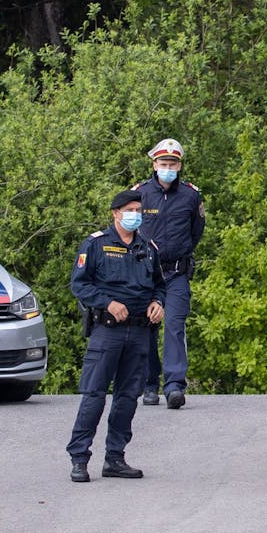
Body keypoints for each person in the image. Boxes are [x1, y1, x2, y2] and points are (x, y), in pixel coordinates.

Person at [66, 189, 165, 483]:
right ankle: (79, 458)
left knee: (127, 398)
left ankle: (115, 458)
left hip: (139, 332)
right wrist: (107, 302)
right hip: (107, 331)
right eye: (130, 209)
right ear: (116, 213)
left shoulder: (148, 248)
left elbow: (160, 285)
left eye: (139, 209)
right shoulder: (95, 245)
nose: (135, 214)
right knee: (94, 395)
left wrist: (158, 303)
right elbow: (79, 285)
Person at [134, 138, 206, 409]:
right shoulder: (141, 194)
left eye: (173, 163)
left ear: (179, 165)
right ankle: (150, 384)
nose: (168, 167)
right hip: (146, 276)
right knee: (147, 328)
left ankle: (174, 386)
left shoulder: (190, 195)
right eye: (163, 163)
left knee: (175, 326)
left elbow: (196, 231)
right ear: (154, 164)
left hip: (176, 273)